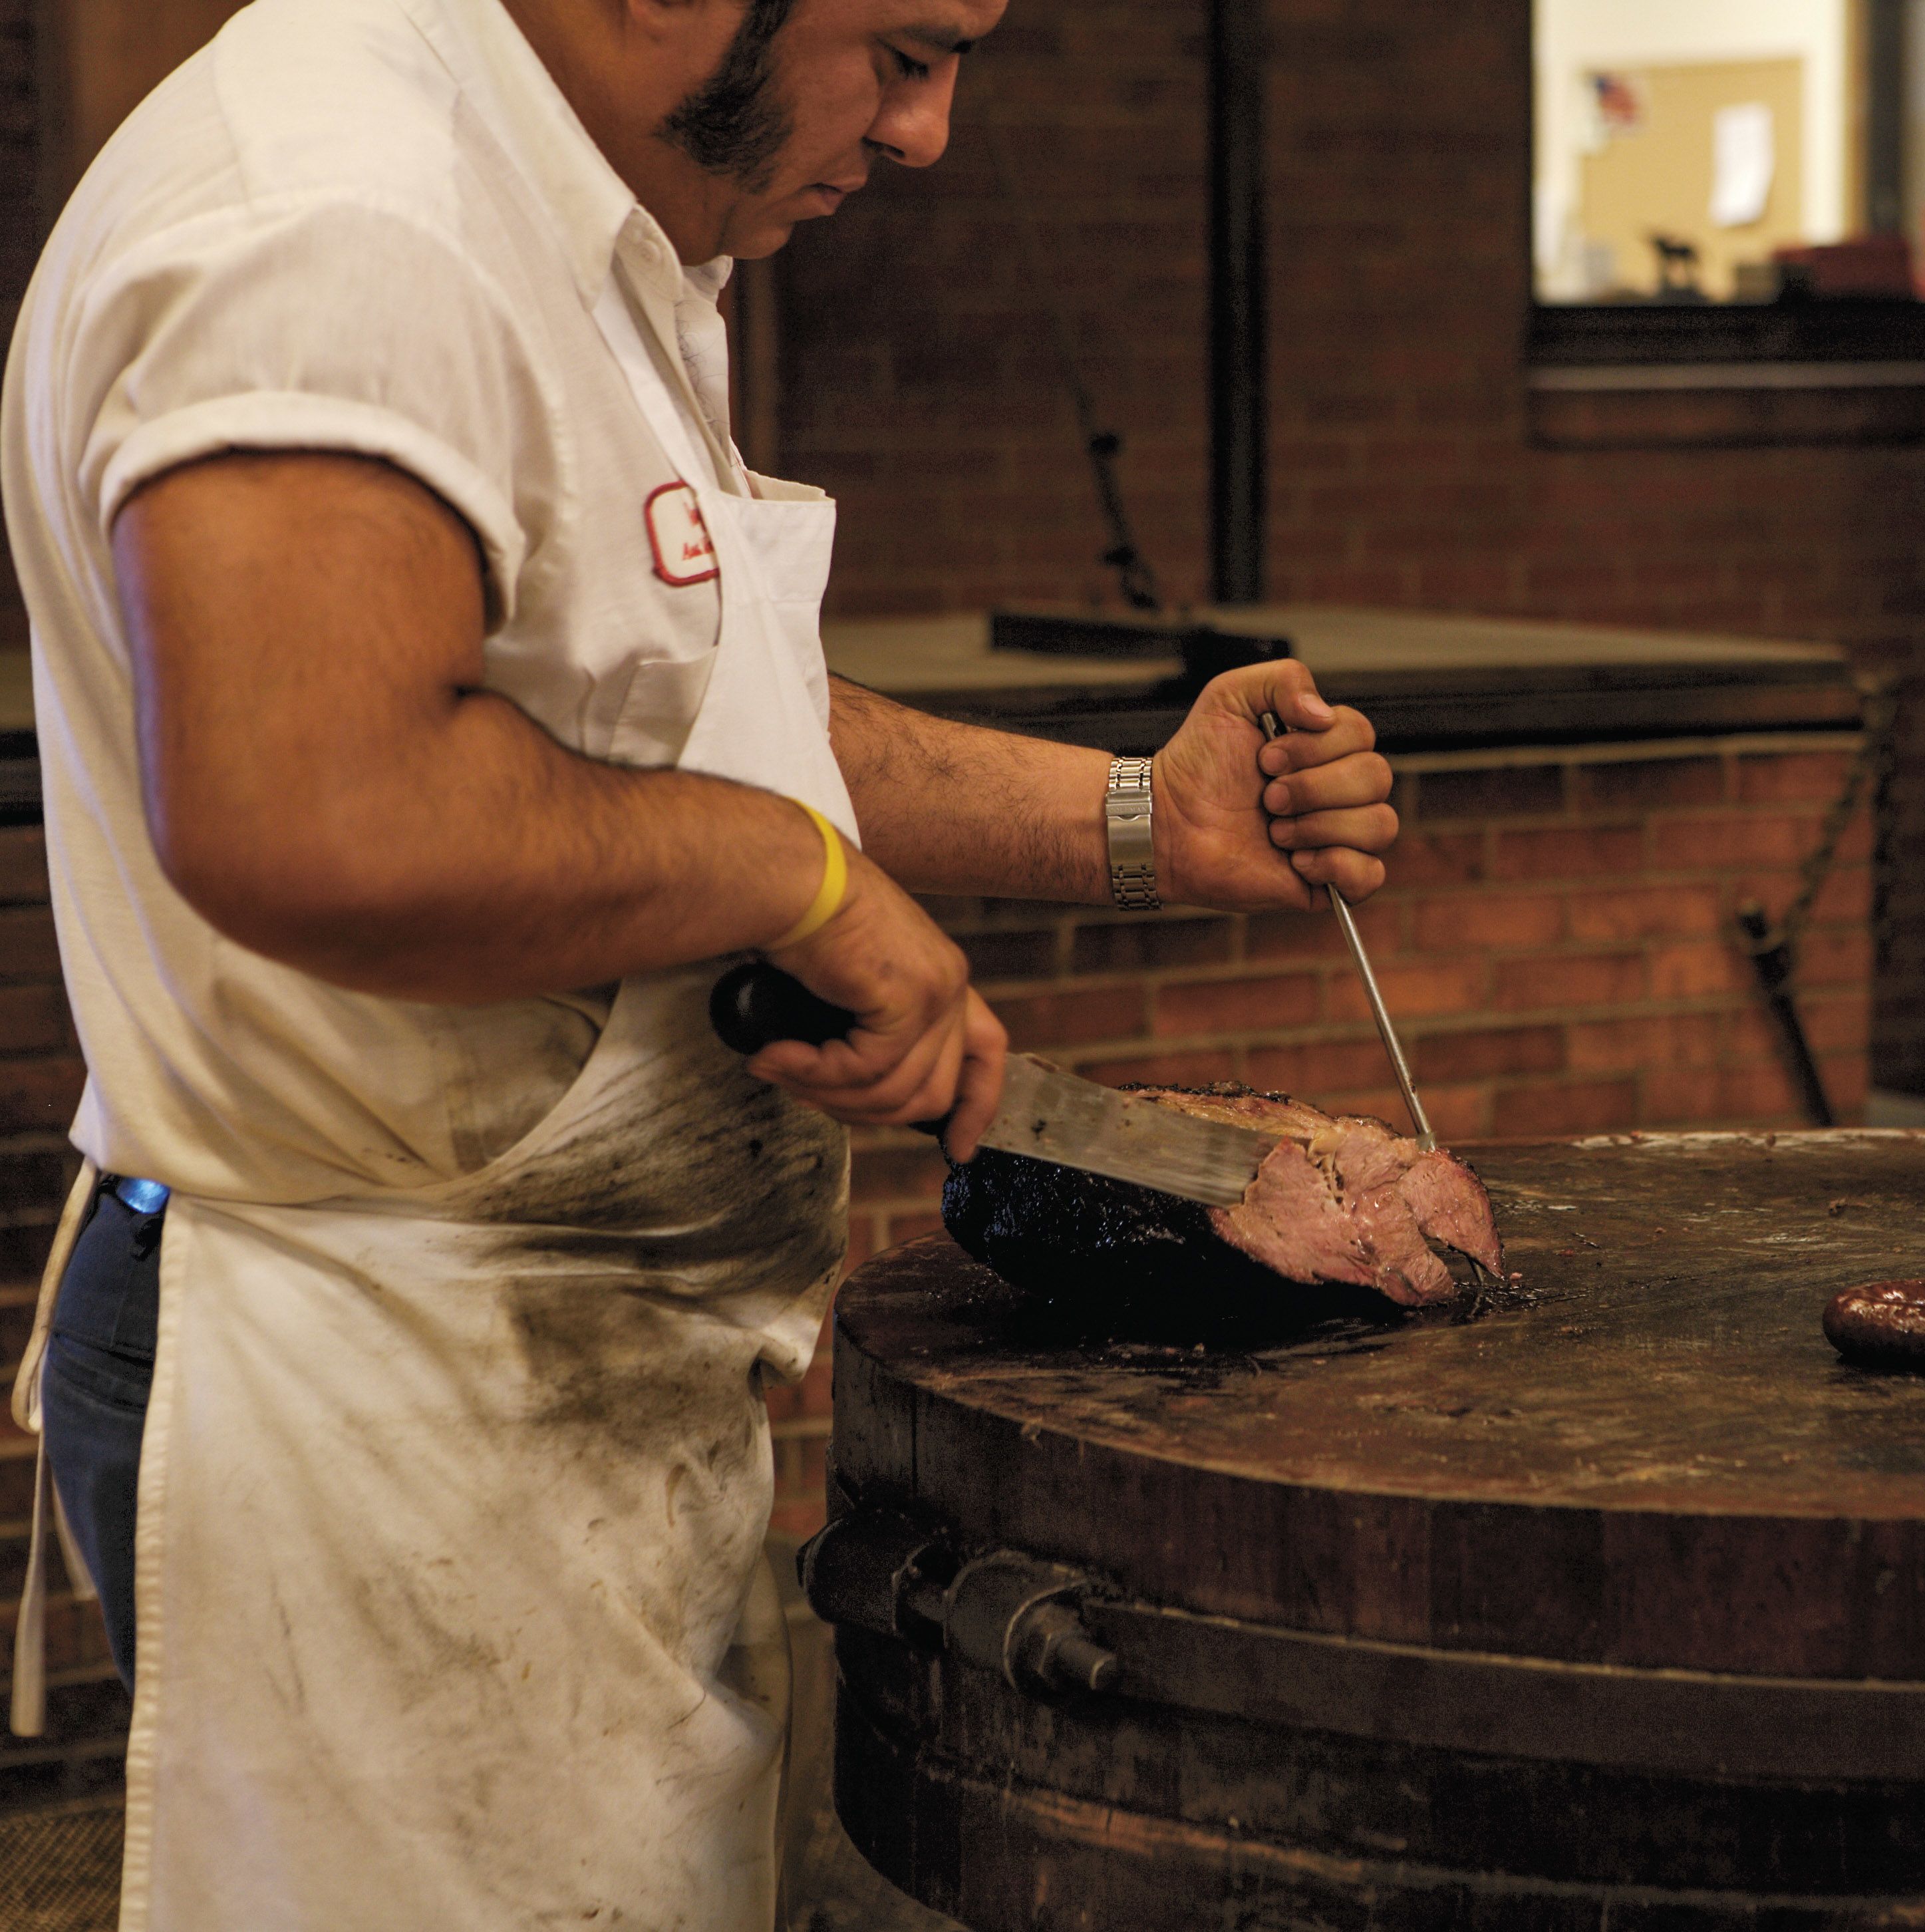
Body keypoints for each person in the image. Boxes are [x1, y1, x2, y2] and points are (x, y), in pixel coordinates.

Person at [1, 0, 1398, 1922]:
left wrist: (1135, 815)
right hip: (366, 1406)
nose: (926, 134)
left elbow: (673, 708)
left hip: (528, 1374)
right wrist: (793, 883)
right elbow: (306, 808)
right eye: (900, 48)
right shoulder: (339, 217)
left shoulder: (575, 210)